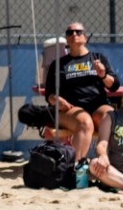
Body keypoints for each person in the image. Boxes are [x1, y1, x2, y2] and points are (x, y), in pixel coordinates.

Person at [40, 22, 116, 162]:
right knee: (85, 122)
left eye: (78, 32)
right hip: (69, 109)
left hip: (97, 106)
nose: (74, 34)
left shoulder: (97, 58)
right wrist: (57, 100)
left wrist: (103, 75)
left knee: (110, 117)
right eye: (70, 33)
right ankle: (74, 167)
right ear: (67, 39)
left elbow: (114, 86)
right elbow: (49, 94)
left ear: (85, 37)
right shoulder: (58, 64)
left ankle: (109, 163)